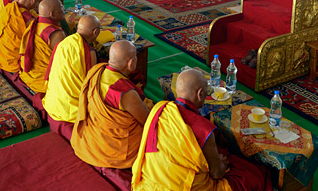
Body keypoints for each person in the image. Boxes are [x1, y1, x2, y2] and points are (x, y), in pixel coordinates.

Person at [132, 69, 272, 191]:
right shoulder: (203, 128)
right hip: (184, 186)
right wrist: (221, 164)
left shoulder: (160, 109)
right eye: (206, 94)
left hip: (152, 182)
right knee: (255, 176)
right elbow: (217, 173)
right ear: (200, 94)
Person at [71, 41, 152, 190]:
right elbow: (147, 121)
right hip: (114, 152)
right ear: (131, 63)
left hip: (90, 141)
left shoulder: (96, 71)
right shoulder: (124, 92)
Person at [43, 15, 101, 140]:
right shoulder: (89, 52)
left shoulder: (64, 43)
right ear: (95, 32)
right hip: (72, 109)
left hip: (53, 102)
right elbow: (92, 84)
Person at [18, 0, 66, 94]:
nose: (64, 10)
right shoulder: (56, 34)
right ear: (52, 14)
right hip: (44, 80)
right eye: (61, 8)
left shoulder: (33, 24)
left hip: (29, 74)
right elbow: (64, 61)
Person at [0, 0, 40, 74]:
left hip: (1, 56)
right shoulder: (27, 19)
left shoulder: (9, 7)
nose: (38, 1)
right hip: (15, 62)